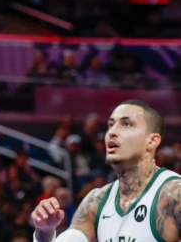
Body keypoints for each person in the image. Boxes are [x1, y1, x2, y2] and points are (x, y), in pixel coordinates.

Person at [31, 100, 181, 242]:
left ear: (152, 141)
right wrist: (45, 232)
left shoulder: (174, 193)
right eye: (111, 125)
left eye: (126, 124)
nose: (112, 132)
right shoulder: (96, 200)